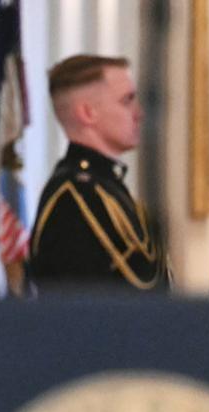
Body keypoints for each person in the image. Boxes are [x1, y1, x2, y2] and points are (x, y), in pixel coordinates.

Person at [29, 54, 171, 293]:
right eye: (127, 101)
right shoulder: (74, 200)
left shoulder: (108, 188)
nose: (139, 113)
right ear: (87, 113)